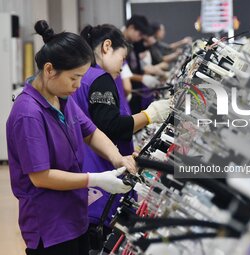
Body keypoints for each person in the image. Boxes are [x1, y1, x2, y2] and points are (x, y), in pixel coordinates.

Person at [6, 20, 136, 255]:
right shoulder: (28, 113)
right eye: (74, 78)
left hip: (75, 216)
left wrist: (118, 159)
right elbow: (41, 176)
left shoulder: (62, 100)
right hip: (50, 225)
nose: (77, 86)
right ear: (49, 70)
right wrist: (94, 179)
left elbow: (91, 132)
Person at [72, 24, 171, 251]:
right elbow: (111, 126)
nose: (122, 65)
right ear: (107, 46)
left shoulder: (80, 77)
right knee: (102, 237)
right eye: (122, 57)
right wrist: (150, 115)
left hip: (85, 168)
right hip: (102, 171)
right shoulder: (100, 78)